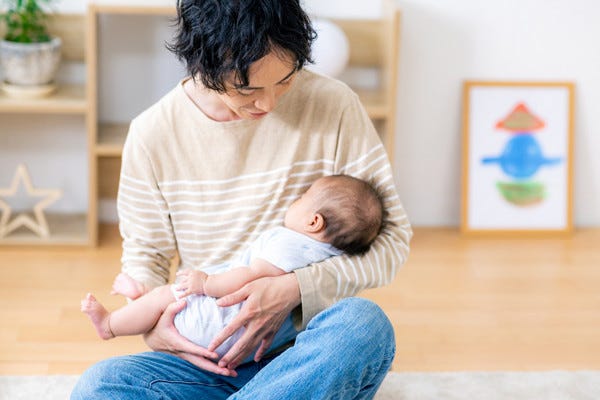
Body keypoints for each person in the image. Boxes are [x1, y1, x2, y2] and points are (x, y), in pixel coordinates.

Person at [71, 0, 412, 398]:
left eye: (285, 79)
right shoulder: (152, 134)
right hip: (211, 356)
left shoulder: (335, 106)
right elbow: (147, 255)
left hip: (300, 356)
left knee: (362, 327)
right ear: (203, 64)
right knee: (102, 385)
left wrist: (294, 288)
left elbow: (391, 244)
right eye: (248, 89)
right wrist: (154, 326)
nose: (268, 104)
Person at [81, 175, 384, 361]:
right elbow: (145, 246)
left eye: (303, 198)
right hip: (239, 345)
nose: (295, 200)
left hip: (219, 322)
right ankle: (140, 300)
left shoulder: (289, 242)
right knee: (102, 385)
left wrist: (206, 284)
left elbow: (250, 277)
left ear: (313, 221)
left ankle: (109, 325)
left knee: (165, 297)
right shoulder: (323, 254)